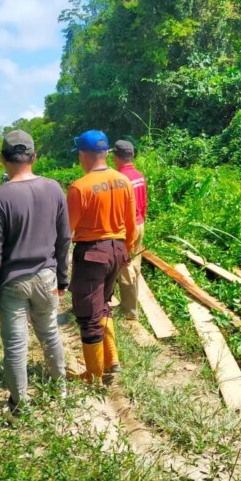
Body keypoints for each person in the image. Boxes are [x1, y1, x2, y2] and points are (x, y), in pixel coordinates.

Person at [0, 130, 71, 415]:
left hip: (12, 284)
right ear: (34, 157)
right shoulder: (54, 188)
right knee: (50, 334)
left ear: (3, 159)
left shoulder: (0, 197)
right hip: (46, 277)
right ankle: (61, 392)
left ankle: (21, 405)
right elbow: (64, 238)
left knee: (16, 346)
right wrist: (63, 277)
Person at [67, 130, 136, 384]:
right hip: (117, 250)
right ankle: (112, 360)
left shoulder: (79, 187)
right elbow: (130, 224)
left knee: (88, 314)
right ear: (106, 153)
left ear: (82, 155)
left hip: (91, 255)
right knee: (104, 304)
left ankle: (93, 374)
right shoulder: (123, 181)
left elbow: (67, 231)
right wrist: (124, 252)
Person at [113, 140, 147, 321]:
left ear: (115, 157)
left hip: (127, 227)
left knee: (125, 268)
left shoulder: (119, 178)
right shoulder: (139, 175)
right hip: (140, 223)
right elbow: (144, 202)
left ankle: (129, 312)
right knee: (135, 264)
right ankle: (132, 302)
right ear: (132, 155)